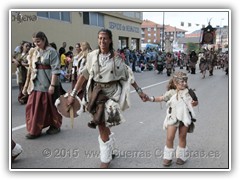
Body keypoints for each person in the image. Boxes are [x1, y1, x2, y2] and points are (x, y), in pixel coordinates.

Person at [67, 28, 148, 168]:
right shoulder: (92, 55)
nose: (102, 41)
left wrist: (140, 91)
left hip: (110, 94)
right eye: (99, 38)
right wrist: (73, 94)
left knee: (101, 123)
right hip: (94, 93)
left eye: (105, 38)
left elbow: (128, 75)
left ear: (110, 40)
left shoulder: (117, 57)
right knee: (102, 123)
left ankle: (106, 158)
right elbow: (84, 75)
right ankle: (111, 148)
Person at [146, 71, 198, 166]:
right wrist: (150, 98)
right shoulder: (171, 93)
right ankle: (168, 157)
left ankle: (181, 156)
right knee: (170, 137)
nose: (184, 83)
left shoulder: (189, 92)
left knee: (182, 136)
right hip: (172, 118)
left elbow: (195, 102)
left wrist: (194, 103)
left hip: (185, 118)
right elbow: (161, 98)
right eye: (182, 82)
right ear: (175, 82)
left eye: (185, 81)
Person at [22, 31, 62, 139]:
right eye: (34, 42)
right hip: (35, 83)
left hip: (48, 82)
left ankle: (55, 126)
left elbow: (55, 69)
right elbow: (31, 68)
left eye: (38, 41)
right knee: (33, 107)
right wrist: (27, 85)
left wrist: (52, 85)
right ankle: (35, 130)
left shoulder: (52, 52)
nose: (36, 44)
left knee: (51, 107)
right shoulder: (34, 52)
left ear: (44, 39)